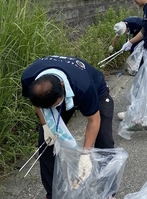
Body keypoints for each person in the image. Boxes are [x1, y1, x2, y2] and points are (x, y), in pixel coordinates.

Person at [21, 55, 115, 199]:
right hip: (53, 96)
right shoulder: (29, 78)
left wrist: (85, 154)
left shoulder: (84, 86)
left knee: (104, 141)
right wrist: (46, 125)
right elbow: (37, 103)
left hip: (97, 92)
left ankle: (107, 192)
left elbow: (93, 120)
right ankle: (53, 194)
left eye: (54, 105)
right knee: (46, 144)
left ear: (63, 87)